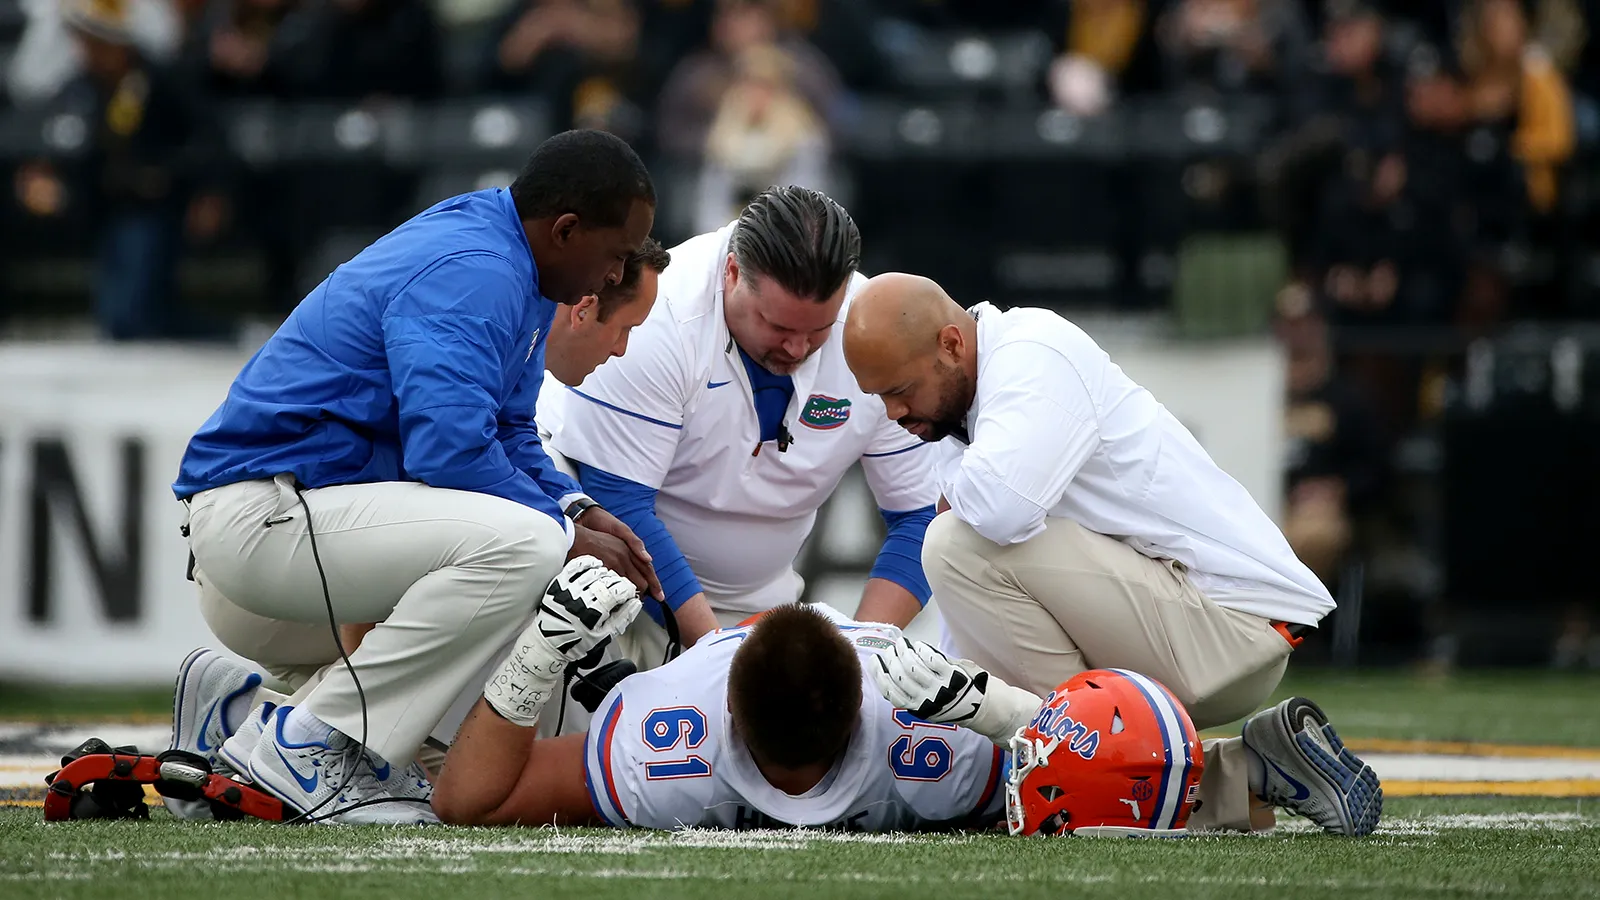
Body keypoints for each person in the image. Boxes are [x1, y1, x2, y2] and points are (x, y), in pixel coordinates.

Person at [167, 130, 657, 824]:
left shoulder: (509, 258)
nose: (616, 276)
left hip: (288, 544)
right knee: (527, 548)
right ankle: (310, 743)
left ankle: (244, 709)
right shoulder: (481, 268)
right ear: (567, 229)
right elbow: (449, 452)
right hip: (267, 527)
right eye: (617, 256)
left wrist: (576, 509)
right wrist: (565, 534)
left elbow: (508, 433)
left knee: (530, 556)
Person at [840, 273, 1383, 836]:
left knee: (953, 543)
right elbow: (982, 602)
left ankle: (1095, 770)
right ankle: (1253, 767)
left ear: (952, 344)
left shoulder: (1032, 354)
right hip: (1195, 621)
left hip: (1230, 627)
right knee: (961, 564)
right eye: (879, 397)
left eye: (899, 390)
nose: (893, 413)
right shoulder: (966, 407)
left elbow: (996, 515)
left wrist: (1008, 728)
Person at [537, 185, 939, 681]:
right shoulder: (658, 315)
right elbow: (618, 500)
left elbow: (922, 517)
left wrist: (857, 656)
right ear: (731, 273)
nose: (796, 348)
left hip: (765, 608)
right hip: (620, 601)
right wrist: (715, 656)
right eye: (777, 325)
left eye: (818, 331)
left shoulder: (872, 328)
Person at [431, 601, 1010, 830]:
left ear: (728, 702)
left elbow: (469, 802)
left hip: (703, 673)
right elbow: (1083, 768)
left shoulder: (659, 744)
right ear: (860, 703)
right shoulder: (940, 745)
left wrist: (537, 656)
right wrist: (1007, 721)